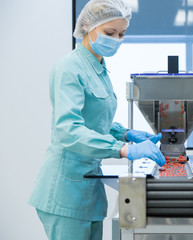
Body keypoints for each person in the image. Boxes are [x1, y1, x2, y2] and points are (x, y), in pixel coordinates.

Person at [29, 0, 166, 239]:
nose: (116, 39)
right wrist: (123, 149)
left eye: (122, 34)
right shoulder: (69, 68)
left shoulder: (99, 69)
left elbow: (94, 120)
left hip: (88, 189)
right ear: (86, 25)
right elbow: (69, 130)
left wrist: (125, 133)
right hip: (65, 190)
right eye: (109, 33)